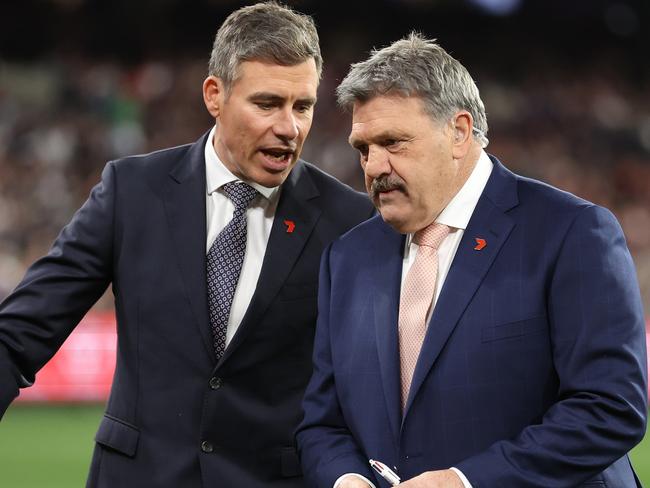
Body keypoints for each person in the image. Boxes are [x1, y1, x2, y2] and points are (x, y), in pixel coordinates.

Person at [0, 3, 374, 487]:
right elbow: (18, 336)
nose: (290, 127)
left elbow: (367, 388)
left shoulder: (348, 220)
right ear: (214, 95)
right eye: (267, 104)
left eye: (302, 106)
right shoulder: (131, 192)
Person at [296, 33, 648, 488]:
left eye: (393, 142)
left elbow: (610, 408)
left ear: (459, 132)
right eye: (363, 148)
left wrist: (464, 481)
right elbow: (323, 424)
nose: (373, 166)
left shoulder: (571, 232)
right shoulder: (347, 258)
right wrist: (345, 478)